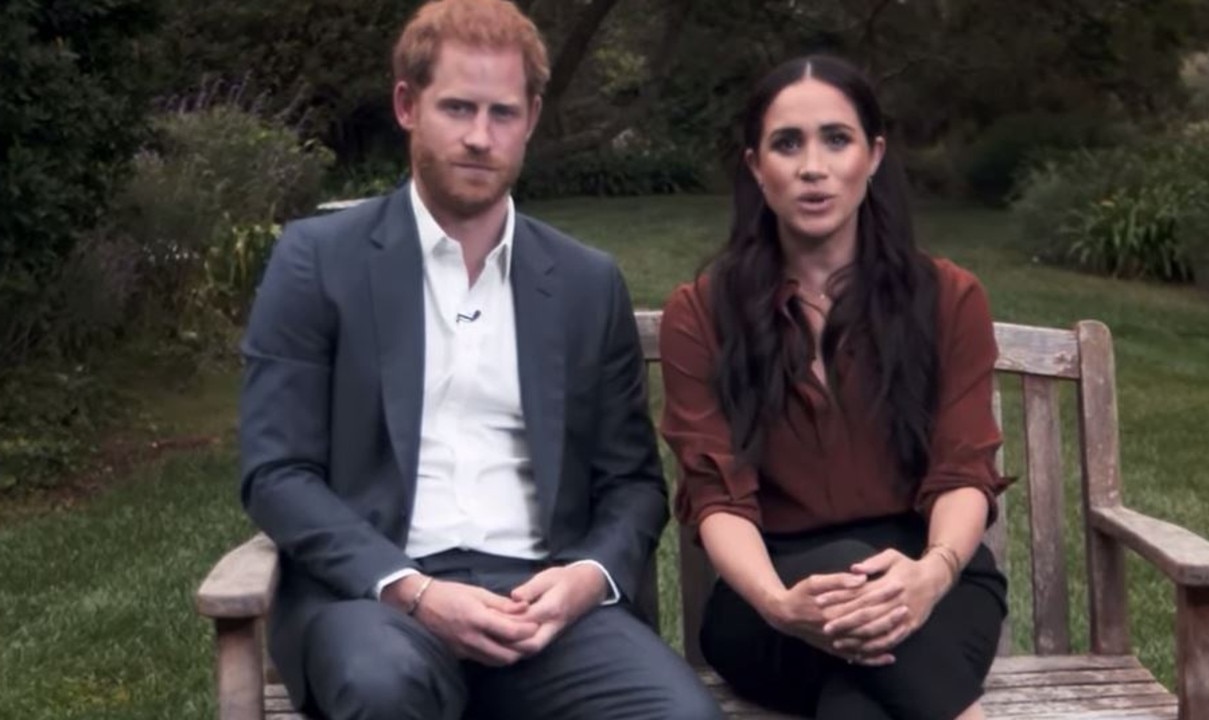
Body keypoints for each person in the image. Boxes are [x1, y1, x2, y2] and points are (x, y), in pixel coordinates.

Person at [239, 1, 723, 718]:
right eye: (457, 108)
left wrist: (585, 578)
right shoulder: (318, 262)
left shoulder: (586, 284)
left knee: (678, 715)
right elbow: (276, 472)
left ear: (530, 117)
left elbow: (632, 483)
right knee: (383, 687)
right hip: (378, 601)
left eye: (502, 113)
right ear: (408, 105)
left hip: (544, 604)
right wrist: (415, 590)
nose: (478, 137)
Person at [659, 54, 1009, 720]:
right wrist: (777, 604)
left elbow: (962, 471)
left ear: (873, 156)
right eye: (787, 144)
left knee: (858, 706)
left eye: (837, 139)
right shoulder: (702, 313)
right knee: (853, 567)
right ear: (757, 167)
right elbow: (717, 496)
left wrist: (931, 577)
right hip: (768, 602)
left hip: (934, 583)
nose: (813, 166)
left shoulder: (948, 299)